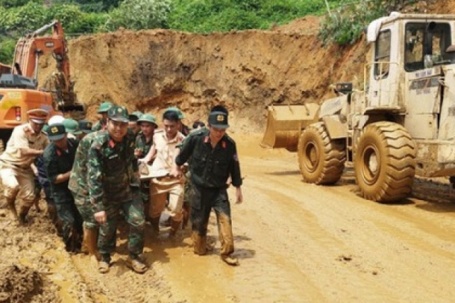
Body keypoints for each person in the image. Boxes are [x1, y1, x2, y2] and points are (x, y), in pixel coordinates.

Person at [173, 106, 243, 266]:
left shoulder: (230, 144)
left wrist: (238, 187)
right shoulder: (196, 138)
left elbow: (235, 166)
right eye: (216, 129)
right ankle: (199, 245)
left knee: (225, 219)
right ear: (209, 126)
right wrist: (177, 167)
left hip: (219, 190)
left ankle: (227, 253)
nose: (219, 133)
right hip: (199, 188)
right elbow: (182, 155)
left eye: (223, 130)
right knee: (199, 223)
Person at [88, 105, 147, 274]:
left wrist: (136, 176)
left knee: (138, 221)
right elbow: (94, 178)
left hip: (128, 190)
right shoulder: (98, 145)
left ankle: (134, 256)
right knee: (107, 227)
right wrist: (98, 207)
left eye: (123, 124)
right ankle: (105, 257)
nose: (119, 128)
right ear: (107, 122)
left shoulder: (130, 136)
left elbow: (131, 159)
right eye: (115, 124)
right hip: (108, 194)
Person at [139, 109, 186, 238]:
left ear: (178, 124)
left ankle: (172, 234)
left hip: (176, 180)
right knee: (154, 211)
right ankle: (156, 232)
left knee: (176, 210)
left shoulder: (184, 140)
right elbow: (153, 150)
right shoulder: (157, 135)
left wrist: (180, 167)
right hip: (158, 178)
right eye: (166, 126)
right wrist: (145, 160)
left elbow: (186, 160)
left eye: (172, 126)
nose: (169, 129)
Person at [0, 109, 49, 224]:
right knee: (13, 186)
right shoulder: (20, 131)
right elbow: (24, 151)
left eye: (41, 124)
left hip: (26, 169)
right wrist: (43, 152)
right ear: (29, 121)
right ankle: (11, 208)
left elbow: (50, 151)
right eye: (36, 123)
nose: (38, 126)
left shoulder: (43, 137)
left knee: (29, 197)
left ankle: (22, 216)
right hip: (9, 164)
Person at [43, 123, 82, 252]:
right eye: (55, 140)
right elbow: (54, 179)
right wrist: (72, 173)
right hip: (61, 190)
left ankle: (82, 242)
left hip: (77, 187)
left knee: (79, 217)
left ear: (66, 135)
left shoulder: (75, 144)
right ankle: (71, 248)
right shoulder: (49, 154)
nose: (59, 142)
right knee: (68, 221)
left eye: (61, 138)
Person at [68, 130, 100, 260]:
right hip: (82, 185)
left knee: (96, 220)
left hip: (93, 184)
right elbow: (93, 169)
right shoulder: (93, 140)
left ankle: (87, 246)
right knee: (91, 220)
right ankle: (92, 253)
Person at [134, 113, 158, 216]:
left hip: (155, 171)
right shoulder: (139, 138)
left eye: (147, 126)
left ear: (153, 127)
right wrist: (136, 154)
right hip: (143, 171)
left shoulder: (158, 137)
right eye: (142, 126)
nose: (144, 129)